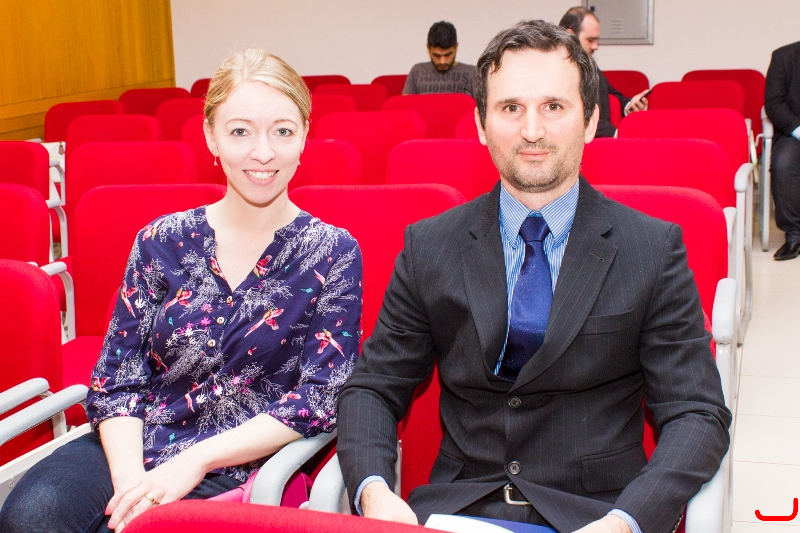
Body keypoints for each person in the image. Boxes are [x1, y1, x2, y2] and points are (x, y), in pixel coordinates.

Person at [337, 20, 730, 533]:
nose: (532, 131)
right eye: (510, 108)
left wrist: (626, 521)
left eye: (553, 106)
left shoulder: (651, 250)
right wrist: (373, 491)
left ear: (591, 120)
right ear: (481, 124)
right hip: (458, 511)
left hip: (594, 516)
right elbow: (373, 387)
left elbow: (696, 413)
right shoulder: (430, 245)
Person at [0, 49, 362, 533]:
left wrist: (197, 460)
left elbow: (319, 396)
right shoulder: (161, 240)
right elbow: (118, 380)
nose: (263, 152)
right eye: (240, 132)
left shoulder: (333, 252)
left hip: (241, 461)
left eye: (282, 131)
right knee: (29, 517)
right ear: (211, 136)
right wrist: (132, 484)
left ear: (303, 138)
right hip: (134, 442)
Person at [559, 7, 649, 138]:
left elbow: (611, 92)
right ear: (570, 35)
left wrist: (630, 105)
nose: (596, 46)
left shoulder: (589, 64)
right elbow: (576, 117)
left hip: (601, 142)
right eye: (590, 40)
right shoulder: (554, 70)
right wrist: (616, 134)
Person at [765, 41, 800, 260]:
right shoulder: (783, 57)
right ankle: (794, 235)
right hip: (794, 131)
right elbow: (774, 103)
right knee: (783, 164)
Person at [402, 21, 475, 97]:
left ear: (456, 47)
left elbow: (482, 103)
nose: (442, 61)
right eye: (436, 55)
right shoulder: (417, 71)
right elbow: (404, 103)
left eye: (448, 55)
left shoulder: (472, 72)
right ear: (428, 48)